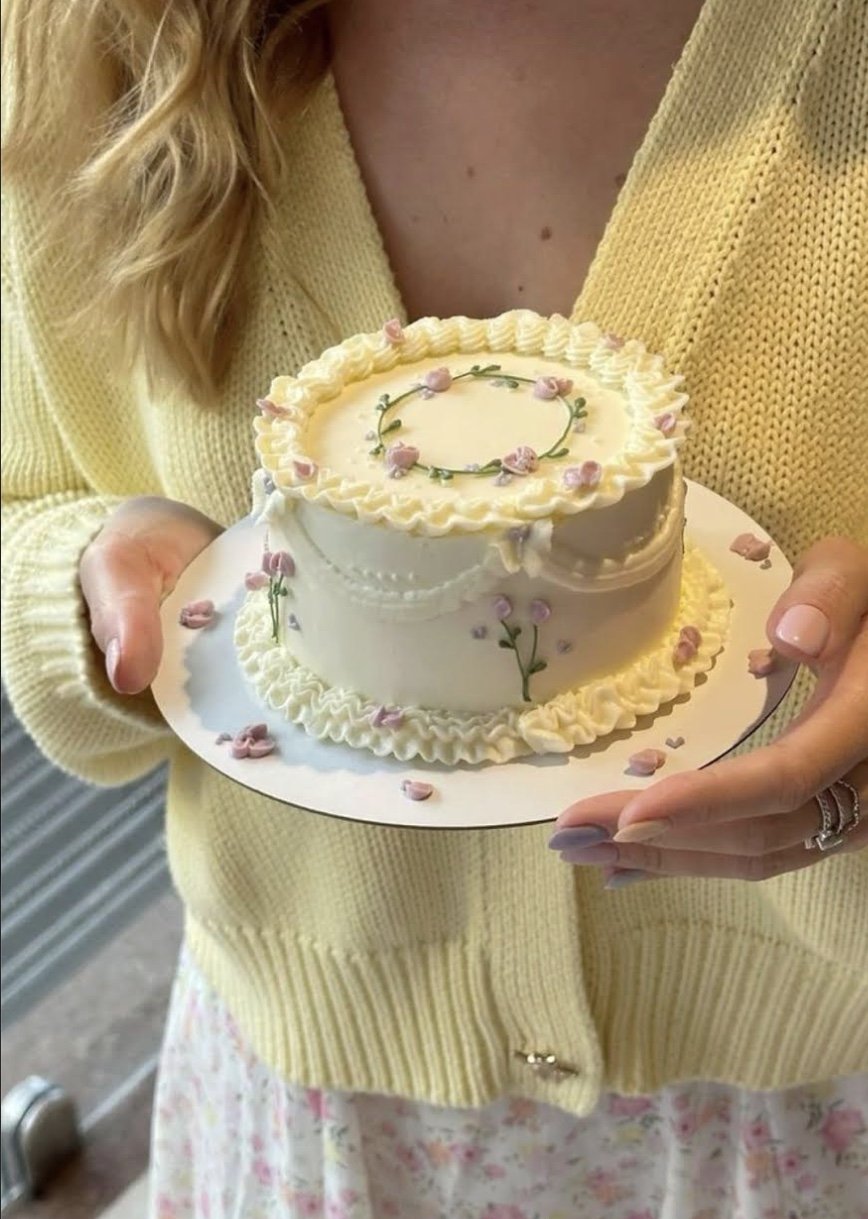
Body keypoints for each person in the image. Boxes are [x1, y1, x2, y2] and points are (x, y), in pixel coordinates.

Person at [3, 0, 867, 1215]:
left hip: (816, 1109)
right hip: (319, 1111)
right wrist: (86, 589)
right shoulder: (78, 37)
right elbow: (24, 492)